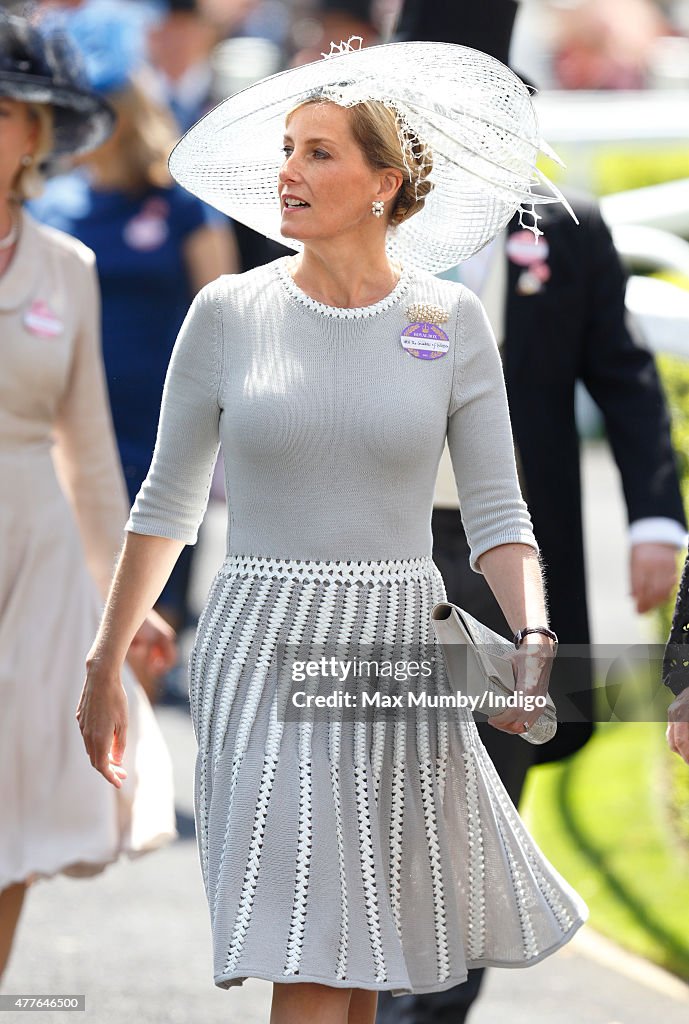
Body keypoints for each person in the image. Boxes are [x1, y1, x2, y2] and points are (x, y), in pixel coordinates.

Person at [76, 37, 588, 1023]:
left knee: (357, 962)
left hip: (401, 650)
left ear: (383, 183)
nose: (288, 172)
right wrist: (106, 659)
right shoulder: (226, 312)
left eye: (317, 152)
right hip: (262, 642)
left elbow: (494, 510)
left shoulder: (448, 317)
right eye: (286, 148)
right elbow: (166, 505)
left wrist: (529, 632)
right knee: (310, 945)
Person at [375, 2, 687, 1021]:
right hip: (379, 552)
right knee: (376, 794)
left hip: (511, 564)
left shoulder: (563, 230)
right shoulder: (345, 228)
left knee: (479, 804)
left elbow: (628, 381)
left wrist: (654, 517)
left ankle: (430, 1007)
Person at [0, 12, 177, 981]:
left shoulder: (69, 270)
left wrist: (130, 605)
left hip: (36, 567)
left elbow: (91, 456)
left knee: (14, 811)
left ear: (34, 133)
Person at [31, 0, 239, 671]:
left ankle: (133, 771)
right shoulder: (54, 203)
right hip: (74, 430)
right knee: (74, 616)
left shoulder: (183, 201)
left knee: (153, 625)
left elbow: (222, 309)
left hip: (165, 431)